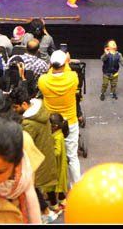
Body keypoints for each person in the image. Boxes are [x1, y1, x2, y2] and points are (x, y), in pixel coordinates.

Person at [38, 50, 81, 187]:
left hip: (51, 124)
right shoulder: (73, 78)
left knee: (50, 155)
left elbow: (51, 72)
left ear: (51, 64)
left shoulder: (43, 81)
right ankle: (76, 187)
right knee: (72, 156)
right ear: (65, 64)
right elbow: (67, 71)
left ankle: (51, 186)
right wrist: (67, 62)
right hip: (70, 122)